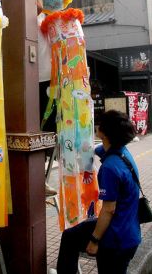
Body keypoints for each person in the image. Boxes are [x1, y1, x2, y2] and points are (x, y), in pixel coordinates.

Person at [49, 110, 141, 274]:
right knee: (70, 236)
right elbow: (96, 149)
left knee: (73, 239)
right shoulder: (122, 153)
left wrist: (94, 240)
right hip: (129, 231)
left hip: (116, 238)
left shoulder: (110, 168)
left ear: (104, 133)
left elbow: (108, 210)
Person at [37, 0, 57, 196]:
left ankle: (43, 178)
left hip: (52, 83)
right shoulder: (33, 16)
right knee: (38, 130)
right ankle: (38, 178)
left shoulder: (54, 20)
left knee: (51, 132)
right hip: (36, 80)